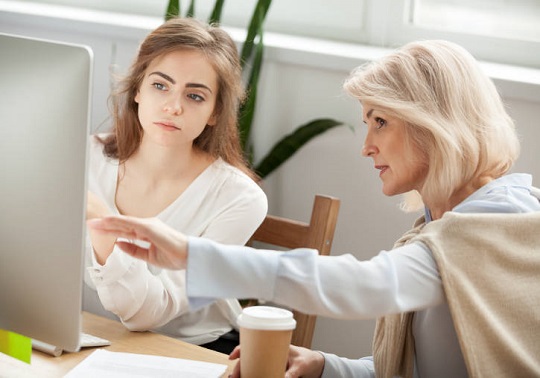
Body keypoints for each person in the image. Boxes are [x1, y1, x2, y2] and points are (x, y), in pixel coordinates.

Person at [87, 40, 540, 377]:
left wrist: (190, 254)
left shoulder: (497, 224)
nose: (366, 147)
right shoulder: (445, 226)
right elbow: (412, 371)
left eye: (380, 121)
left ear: (434, 125)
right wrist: (325, 364)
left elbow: (364, 286)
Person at [84, 17, 268, 354]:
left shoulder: (240, 199)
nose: (173, 107)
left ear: (215, 111)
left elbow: (149, 315)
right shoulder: (84, 156)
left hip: (192, 353)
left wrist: (102, 226)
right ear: (137, 89)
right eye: (160, 85)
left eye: (195, 96)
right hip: (87, 341)